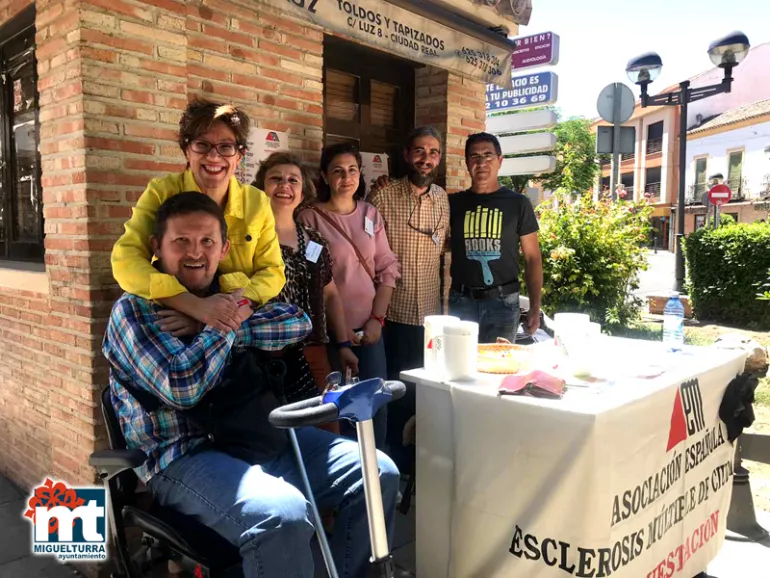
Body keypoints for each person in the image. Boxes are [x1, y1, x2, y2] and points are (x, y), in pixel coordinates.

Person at [103, 192, 400, 577]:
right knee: (282, 514)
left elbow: (298, 321)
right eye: (182, 241)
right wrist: (226, 321)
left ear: (224, 247)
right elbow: (182, 385)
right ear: (156, 246)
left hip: (255, 435)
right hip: (185, 455)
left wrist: (210, 320)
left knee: (380, 471)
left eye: (208, 241)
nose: (196, 252)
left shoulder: (231, 290)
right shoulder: (134, 310)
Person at [111, 98, 284, 336]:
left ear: (239, 156)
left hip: (237, 317)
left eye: (225, 147)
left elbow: (273, 270)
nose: (214, 157)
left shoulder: (257, 202)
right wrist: (194, 306)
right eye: (202, 145)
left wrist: (230, 314)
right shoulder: (161, 193)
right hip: (172, 317)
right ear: (186, 150)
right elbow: (126, 259)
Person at [298, 143, 400, 449]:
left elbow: (387, 267)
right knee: (335, 411)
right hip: (329, 335)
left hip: (369, 332)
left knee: (374, 407)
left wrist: (376, 321)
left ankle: (377, 478)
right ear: (325, 177)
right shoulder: (308, 218)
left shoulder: (370, 213)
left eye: (352, 170)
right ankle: (346, 482)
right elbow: (311, 281)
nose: (346, 177)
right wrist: (341, 335)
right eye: (338, 171)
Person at [254, 152, 359, 431]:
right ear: (261, 188)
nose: (284, 186)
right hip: (262, 356)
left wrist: (344, 345)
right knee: (273, 435)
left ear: (303, 192)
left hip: (313, 352)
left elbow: (331, 294)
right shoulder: (246, 238)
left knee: (326, 431)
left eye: (293, 180)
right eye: (275, 179)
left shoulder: (315, 241)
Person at [368, 126, 449, 470]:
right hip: (394, 313)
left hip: (430, 315)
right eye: (419, 151)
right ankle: (394, 460)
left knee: (426, 391)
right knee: (396, 389)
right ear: (406, 154)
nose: (426, 159)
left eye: (433, 152)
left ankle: (420, 458)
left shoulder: (444, 199)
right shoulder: (382, 197)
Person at [448, 132, 543, 343]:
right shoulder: (453, 203)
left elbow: (532, 258)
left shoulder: (518, 204)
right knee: (459, 369)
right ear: (467, 163)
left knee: (498, 368)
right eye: (474, 156)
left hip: (503, 304)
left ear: (500, 160)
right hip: (461, 301)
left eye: (488, 155)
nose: (481, 162)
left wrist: (535, 307)